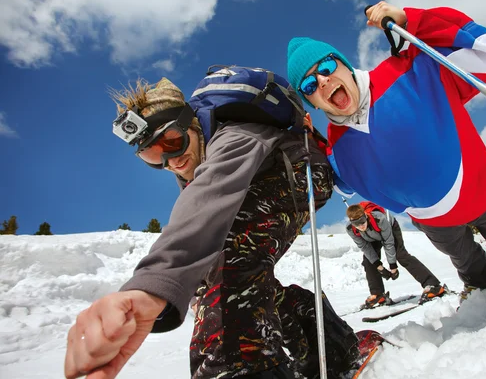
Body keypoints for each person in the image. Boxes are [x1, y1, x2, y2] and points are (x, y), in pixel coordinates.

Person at [286, 1, 486, 303]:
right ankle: (480, 289)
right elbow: (338, 183)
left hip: (480, 188)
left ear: (344, 64)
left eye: (326, 66)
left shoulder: (408, 69)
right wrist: (311, 141)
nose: (323, 81)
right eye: (310, 86)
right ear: (311, 102)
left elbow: (484, 52)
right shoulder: (337, 145)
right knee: (463, 256)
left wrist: (410, 21)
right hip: (435, 221)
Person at [63, 73, 359, 379]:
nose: (170, 160)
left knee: (232, 257)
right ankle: (327, 341)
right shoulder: (188, 162)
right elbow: (199, 225)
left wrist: (149, 288)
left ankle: (242, 368)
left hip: (299, 173)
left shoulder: (234, 134)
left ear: (189, 122)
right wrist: (197, 291)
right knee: (225, 279)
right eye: (153, 155)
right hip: (260, 183)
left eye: (171, 141)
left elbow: (206, 203)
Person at [346, 202, 446, 307]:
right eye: (357, 224)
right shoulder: (350, 229)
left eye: (362, 221)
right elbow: (365, 247)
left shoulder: (379, 219)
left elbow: (388, 243)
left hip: (390, 230)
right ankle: (378, 294)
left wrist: (393, 266)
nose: (361, 226)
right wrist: (379, 267)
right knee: (368, 262)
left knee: (401, 256)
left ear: (365, 216)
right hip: (371, 238)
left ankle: (433, 285)